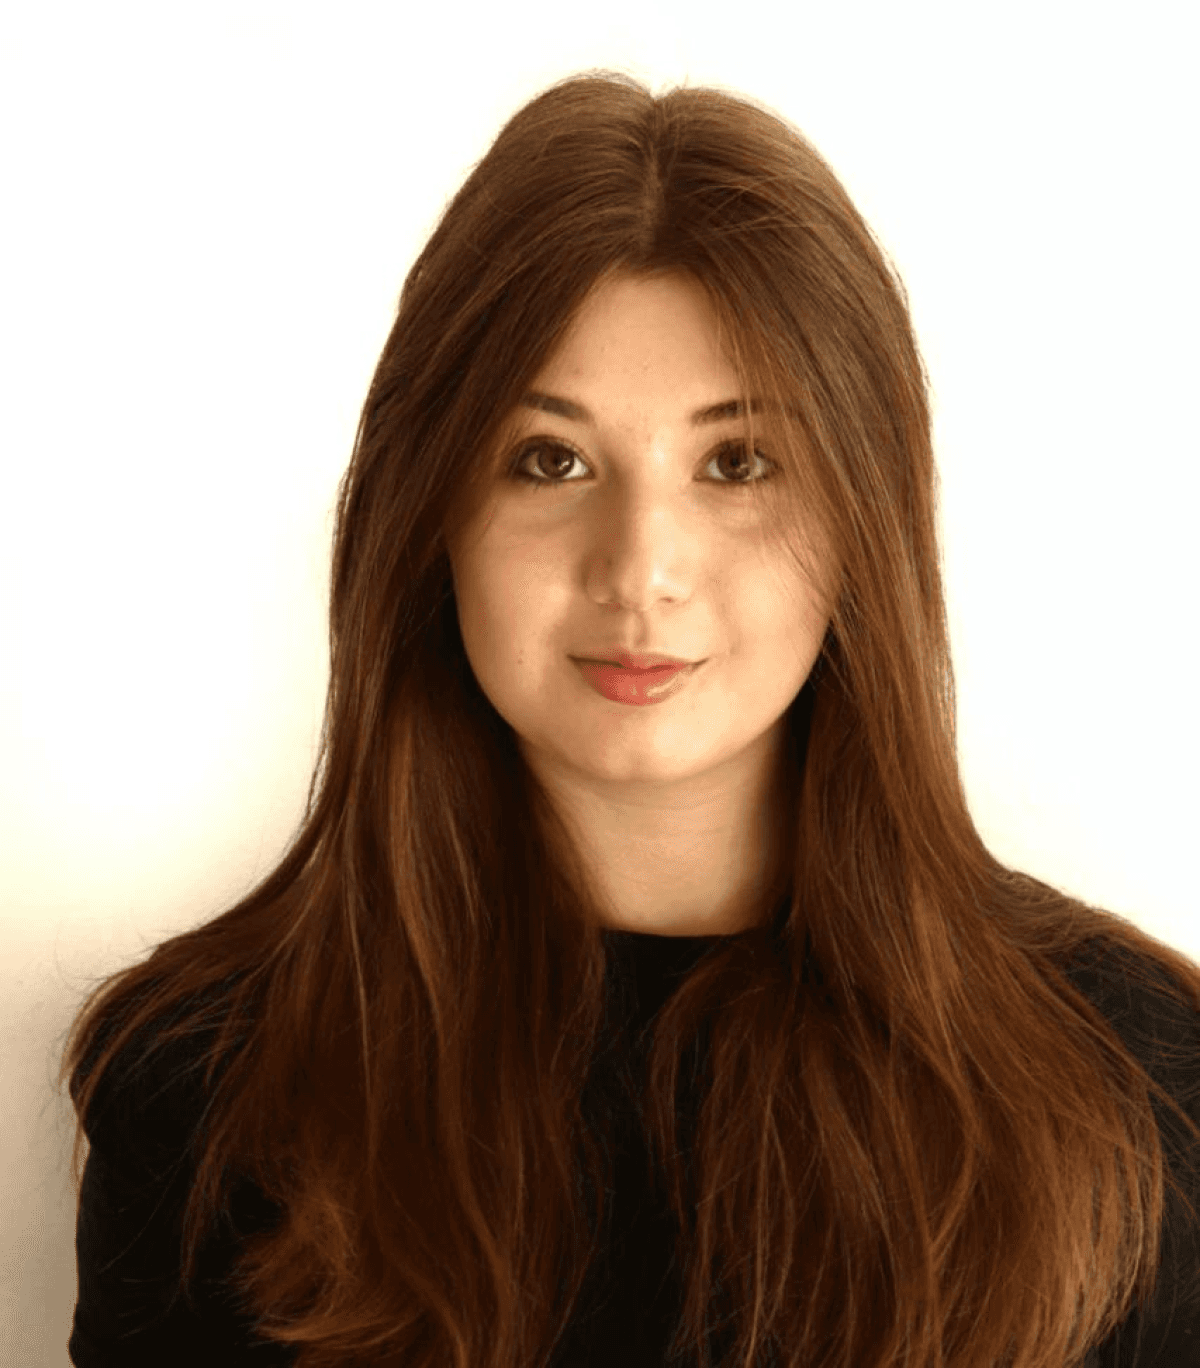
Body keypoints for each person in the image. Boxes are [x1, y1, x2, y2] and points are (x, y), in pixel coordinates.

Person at [60, 69, 1200, 1368]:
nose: (641, 564)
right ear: (430, 516)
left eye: (737, 462)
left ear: (861, 524)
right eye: (552, 459)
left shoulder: (1137, 1082)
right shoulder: (206, 1090)